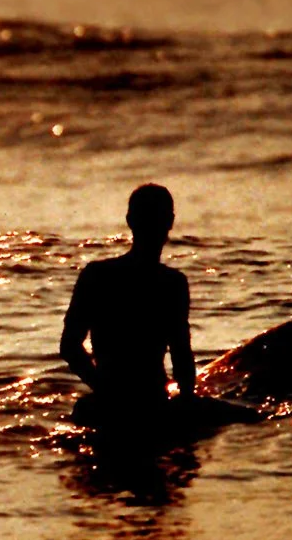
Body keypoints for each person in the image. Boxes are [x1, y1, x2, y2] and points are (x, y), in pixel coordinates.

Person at [61, 183, 199, 428]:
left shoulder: (96, 275)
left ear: (129, 221)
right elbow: (182, 358)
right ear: (171, 222)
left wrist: (104, 388)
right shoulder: (172, 284)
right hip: (150, 402)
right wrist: (186, 404)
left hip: (113, 402)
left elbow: (70, 347)